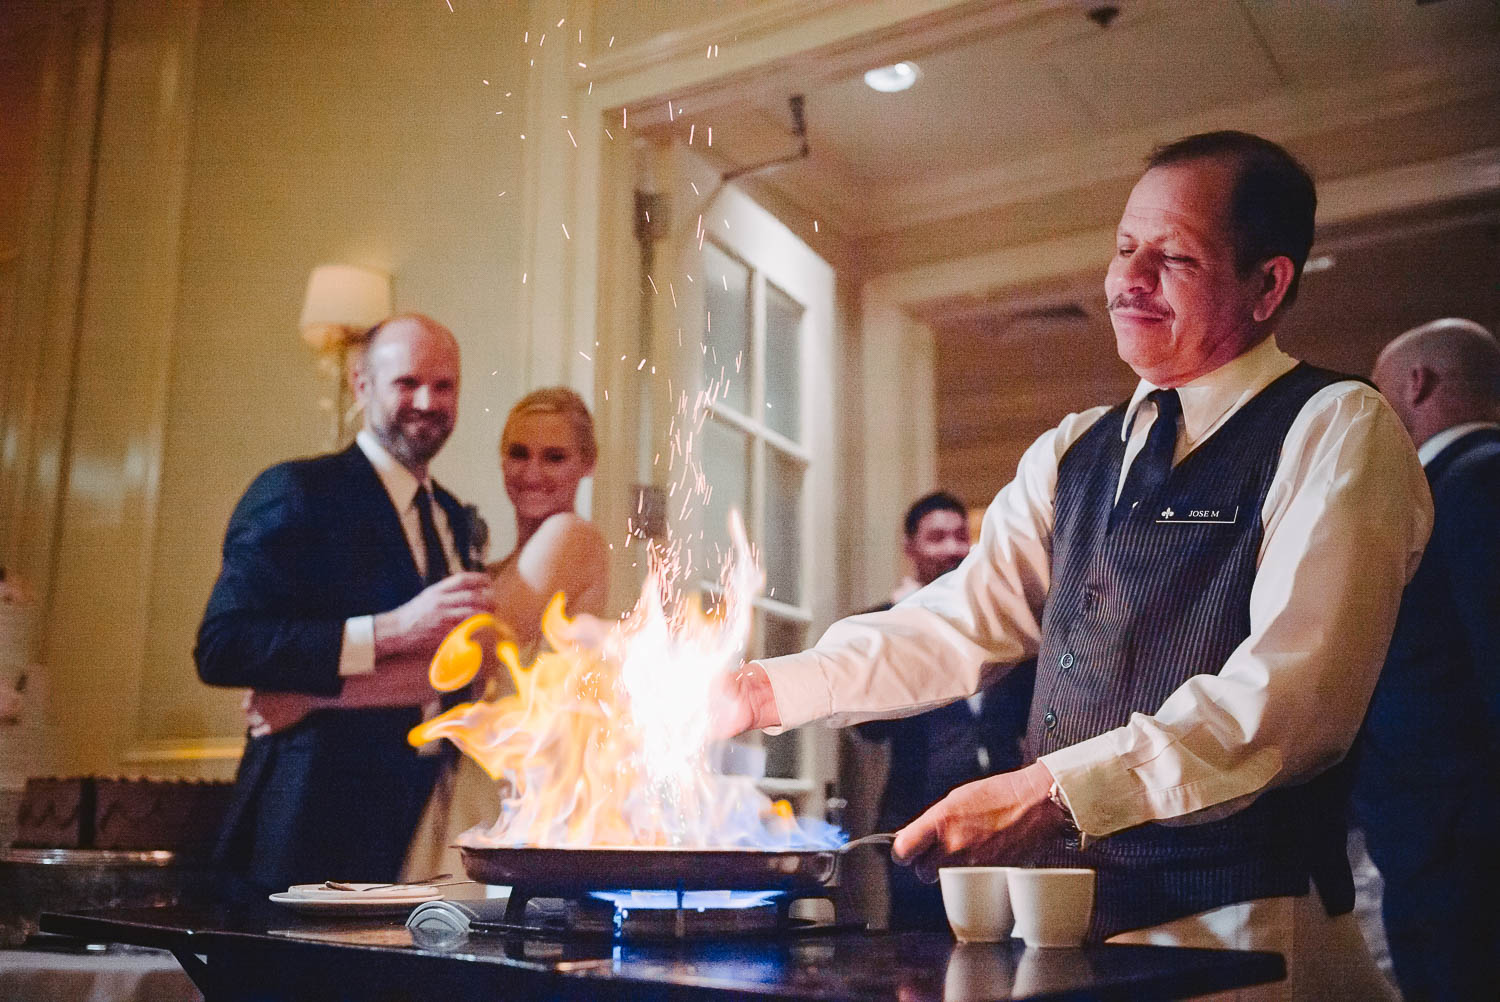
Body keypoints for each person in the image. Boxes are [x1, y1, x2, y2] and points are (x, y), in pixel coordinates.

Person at [719, 131, 1431, 1000]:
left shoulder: (1335, 427)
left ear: (1268, 284)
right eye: (1125, 248)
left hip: (1247, 930)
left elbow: (1290, 700)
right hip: (1068, 934)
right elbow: (960, 621)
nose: (1130, 281)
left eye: (1173, 257)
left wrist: (1051, 792)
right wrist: (764, 691)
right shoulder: (1073, 451)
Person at [196, 314, 494, 891]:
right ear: (362, 386)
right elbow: (223, 646)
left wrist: (310, 696)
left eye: (445, 385)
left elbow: (459, 679)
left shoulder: (453, 516)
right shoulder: (299, 491)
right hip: (311, 821)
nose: (427, 402)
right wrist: (393, 629)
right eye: (406, 383)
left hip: (425, 822)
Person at [401, 386, 609, 880]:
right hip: (469, 784)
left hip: (530, 793)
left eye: (554, 457)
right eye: (518, 453)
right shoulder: (494, 568)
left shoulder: (571, 537)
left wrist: (321, 690)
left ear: (588, 463)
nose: (531, 473)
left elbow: (475, 656)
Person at [1354, 318, 1500, 1002]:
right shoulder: (1444, 490)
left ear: (1416, 384)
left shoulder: (1477, 480)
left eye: (1379, 393)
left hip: (1462, 851)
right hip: (1433, 845)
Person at [854, 491, 1035, 930]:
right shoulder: (883, 625)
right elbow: (869, 728)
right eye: (937, 538)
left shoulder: (1003, 625)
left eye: (961, 536)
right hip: (916, 827)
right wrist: (907, 631)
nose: (954, 548)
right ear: (910, 548)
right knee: (918, 962)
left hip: (1004, 825)